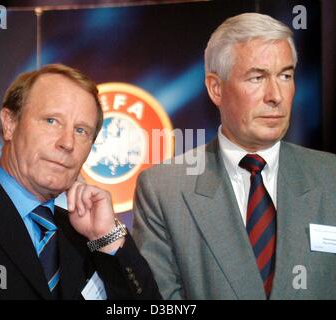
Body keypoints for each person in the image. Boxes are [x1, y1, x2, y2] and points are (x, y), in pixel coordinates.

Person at [132, 13, 336, 300]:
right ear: (216, 88)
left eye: (285, 76)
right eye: (257, 77)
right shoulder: (163, 190)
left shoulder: (331, 177)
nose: (275, 95)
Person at [0, 64, 161, 300]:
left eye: (81, 130)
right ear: (10, 123)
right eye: (51, 121)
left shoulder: (87, 236)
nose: (67, 142)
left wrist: (107, 238)